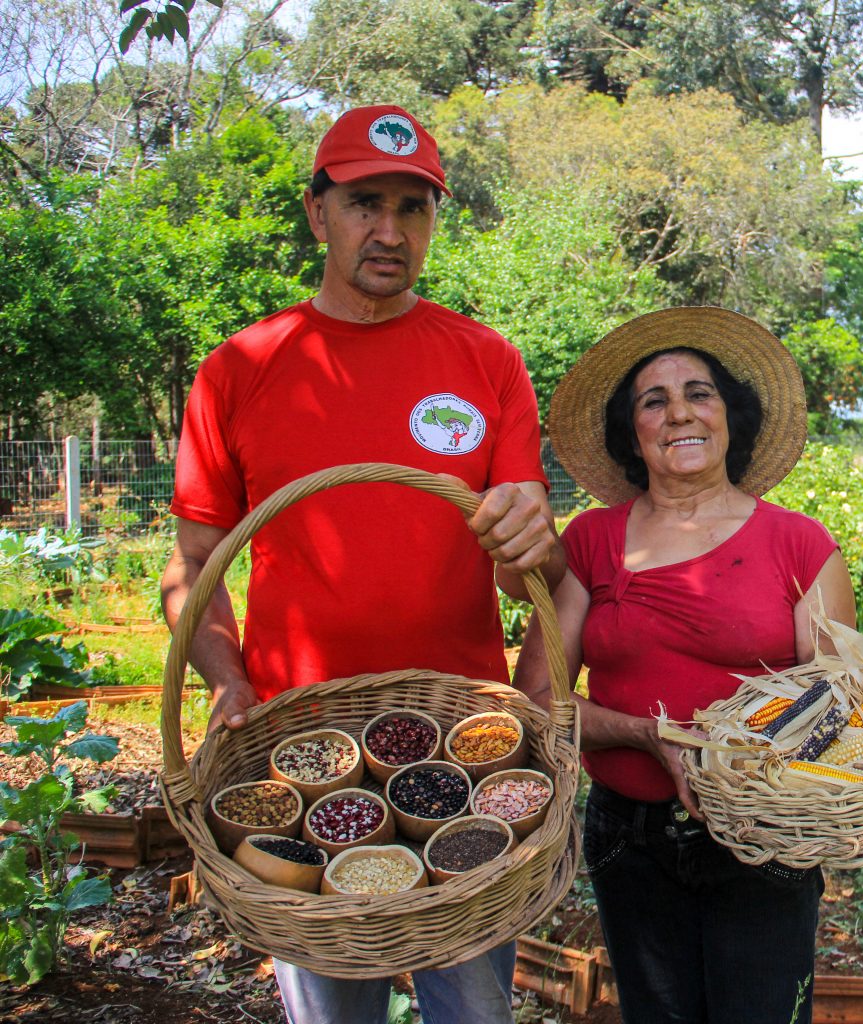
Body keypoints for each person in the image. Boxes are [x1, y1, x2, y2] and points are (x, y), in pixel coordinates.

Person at [158, 104, 563, 1024]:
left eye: (414, 207)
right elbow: (195, 569)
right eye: (364, 203)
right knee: (332, 1009)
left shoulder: (487, 362)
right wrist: (226, 681)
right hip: (302, 759)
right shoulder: (242, 369)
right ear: (316, 213)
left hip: (464, 748)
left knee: (474, 1010)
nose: (390, 231)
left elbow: (526, 570)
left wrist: (536, 540)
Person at [512, 306, 857, 1024]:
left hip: (766, 837)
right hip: (630, 838)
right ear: (631, 433)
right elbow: (537, 702)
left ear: (731, 414)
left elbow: (836, 707)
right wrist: (646, 735)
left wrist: (741, 768)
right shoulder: (593, 541)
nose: (678, 414)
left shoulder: (800, 545)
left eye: (699, 393)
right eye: (653, 401)